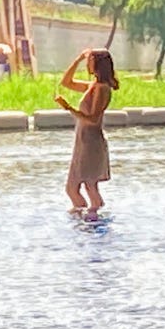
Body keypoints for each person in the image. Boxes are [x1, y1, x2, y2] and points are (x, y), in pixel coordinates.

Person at [54, 48, 119, 219]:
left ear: (98, 64)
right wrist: (77, 60)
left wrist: (68, 108)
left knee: (90, 185)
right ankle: (83, 214)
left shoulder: (102, 89)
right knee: (72, 187)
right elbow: (66, 82)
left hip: (92, 142)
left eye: (89, 60)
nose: (87, 64)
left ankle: (93, 217)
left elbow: (93, 119)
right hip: (82, 141)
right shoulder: (92, 86)